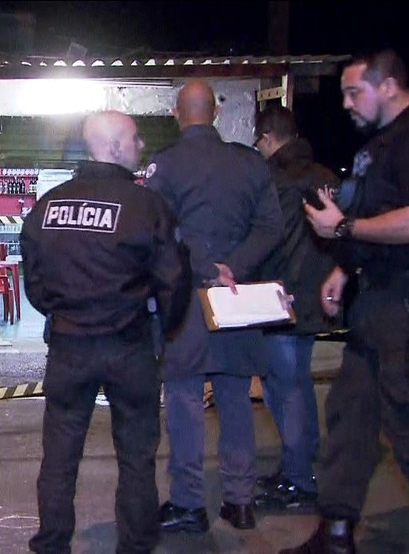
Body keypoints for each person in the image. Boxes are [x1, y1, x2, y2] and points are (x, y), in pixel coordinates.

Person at [281, 49, 409, 554]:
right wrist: (345, 267)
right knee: (350, 421)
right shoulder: (383, 144)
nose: (345, 103)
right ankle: (336, 533)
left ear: (388, 85)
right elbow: (384, 219)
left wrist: (342, 227)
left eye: (354, 91)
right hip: (378, 304)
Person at [20, 110, 191, 554]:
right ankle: (135, 546)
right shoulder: (147, 206)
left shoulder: (49, 205)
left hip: (68, 344)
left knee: (59, 453)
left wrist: (62, 313)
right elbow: (174, 279)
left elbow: (33, 282)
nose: (141, 147)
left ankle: (52, 544)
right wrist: (163, 330)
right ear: (115, 147)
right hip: (128, 344)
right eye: (135, 139)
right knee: (136, 455)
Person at [144, 79, 283, 533]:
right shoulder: (250, 164)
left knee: (184, 400)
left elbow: (162, 233)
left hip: (187, 302)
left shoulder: (164, 167)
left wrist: (205, 267)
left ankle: (188, 504)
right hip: (237, 300)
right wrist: (232, 267)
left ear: (175, 113)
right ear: (217, 112)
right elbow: (270, 227)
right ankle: (240, 501)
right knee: (235, 399)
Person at [252, 105, 341, 511]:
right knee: (297, 386)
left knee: (284, 391)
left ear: (268, 138)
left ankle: (298, 479)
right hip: (314, 296)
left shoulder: (275, 180)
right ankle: (303, 463)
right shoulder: (325, 176)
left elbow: (268, 242)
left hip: (280, 298)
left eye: (259, 142)